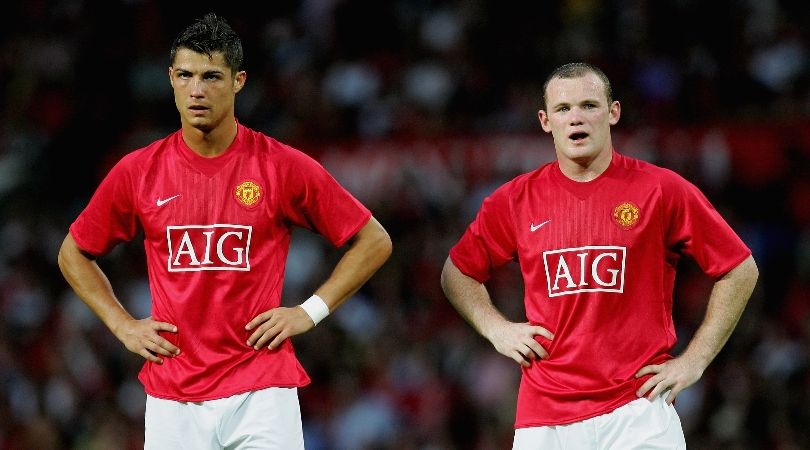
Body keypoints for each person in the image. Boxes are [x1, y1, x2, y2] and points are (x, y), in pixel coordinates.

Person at [57, 13, 392, 450]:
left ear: (238, 81)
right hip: (172, 396)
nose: (197, 89)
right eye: (186, 75)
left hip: (261, 391)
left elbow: (374, 240)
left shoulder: (279, 166)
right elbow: (73, 253)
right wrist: (122, 325)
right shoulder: (139, 172)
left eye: (212, 76)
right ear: (171, 80)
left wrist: (308, 312)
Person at [440, 62, 758, 449]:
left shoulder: (661, 190)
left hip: (638, 409)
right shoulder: (514, 200)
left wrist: (696, 359)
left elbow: (739, 269)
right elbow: (457, 273)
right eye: (563, 109)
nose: (576, 118)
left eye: (589, 105)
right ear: (545, 121)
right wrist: (496, 328)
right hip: (545, 418)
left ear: (613, 112)